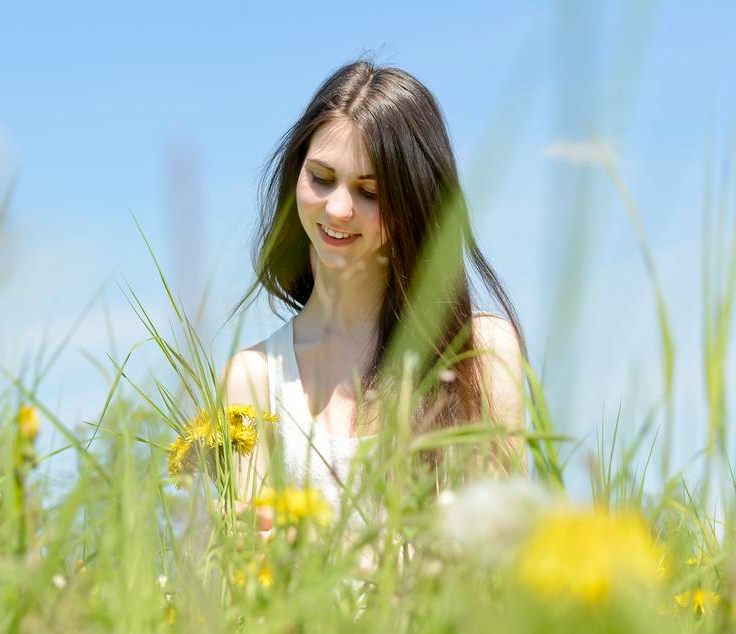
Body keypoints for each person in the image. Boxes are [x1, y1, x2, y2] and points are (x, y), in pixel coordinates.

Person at [221, 58, 529, 521]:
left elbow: (502, 552)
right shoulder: (251, 378)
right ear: (294, 175)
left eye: (370, 192)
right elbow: (248, 574)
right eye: (321, 179)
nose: (339, 208)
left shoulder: (480, 353)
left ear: (415, 203)